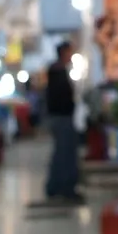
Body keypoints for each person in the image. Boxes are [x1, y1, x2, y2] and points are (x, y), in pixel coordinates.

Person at [45, 42, 84, 204]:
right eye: (69, 52)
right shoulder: (57, 71)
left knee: (63, 153)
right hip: (62, 118)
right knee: (64, 153)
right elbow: (62, 97)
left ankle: (59, 186)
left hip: (63, 117)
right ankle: (63, 187)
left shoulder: (59, 71)